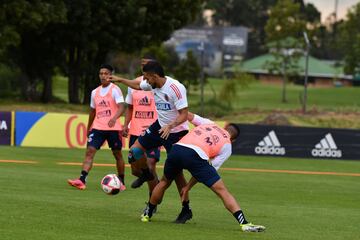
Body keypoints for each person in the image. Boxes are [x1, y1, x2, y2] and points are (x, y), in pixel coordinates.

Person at [140, 113, 266, 232]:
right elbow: (205, 170)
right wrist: (187, 187)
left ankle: (147, 214)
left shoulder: (209, 123)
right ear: (233, 140)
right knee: (222, 191)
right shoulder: (227, 145)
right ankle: (244, 223)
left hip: (176, 149)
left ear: (225, 126)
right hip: (195, 155)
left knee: (163, 182)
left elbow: (187, 114)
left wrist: (171, 122)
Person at [109, 61, 192, 223]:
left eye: (147, 77)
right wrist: (120, 79)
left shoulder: (176, 88)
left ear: (155, 76)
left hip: (176, 133)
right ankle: (147, 174)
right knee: (134, 153)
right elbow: (137, 85)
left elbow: (184, 114)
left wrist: (171, 125)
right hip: (159, 127)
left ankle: (186, 209)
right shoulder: (151, 84)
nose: (145, 80)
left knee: (177, 174)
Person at [68, 64, 126, 191]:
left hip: (113, 128)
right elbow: (92, 112)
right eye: (101, 73)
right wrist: (89, 128)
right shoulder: (95, 92)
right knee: (89, 152)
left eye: (106, 73)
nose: (103, 76)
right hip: (98, 127)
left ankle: (121, 181)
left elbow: (122, 106)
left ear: (110, 75)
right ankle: (82, 180)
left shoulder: (115, 89)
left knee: (117, 154)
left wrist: (114, 117)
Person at [123, 57, 161, 205]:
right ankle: (155, 183)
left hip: (153, 131)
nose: (144, 66)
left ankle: (152, 201)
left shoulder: (158, 84)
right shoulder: (133, 84)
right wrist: (126, 124)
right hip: (135, 131)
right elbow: (130, 107)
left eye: (147, 64)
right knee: (135, 170)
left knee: (150, 164)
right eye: (142, 64)